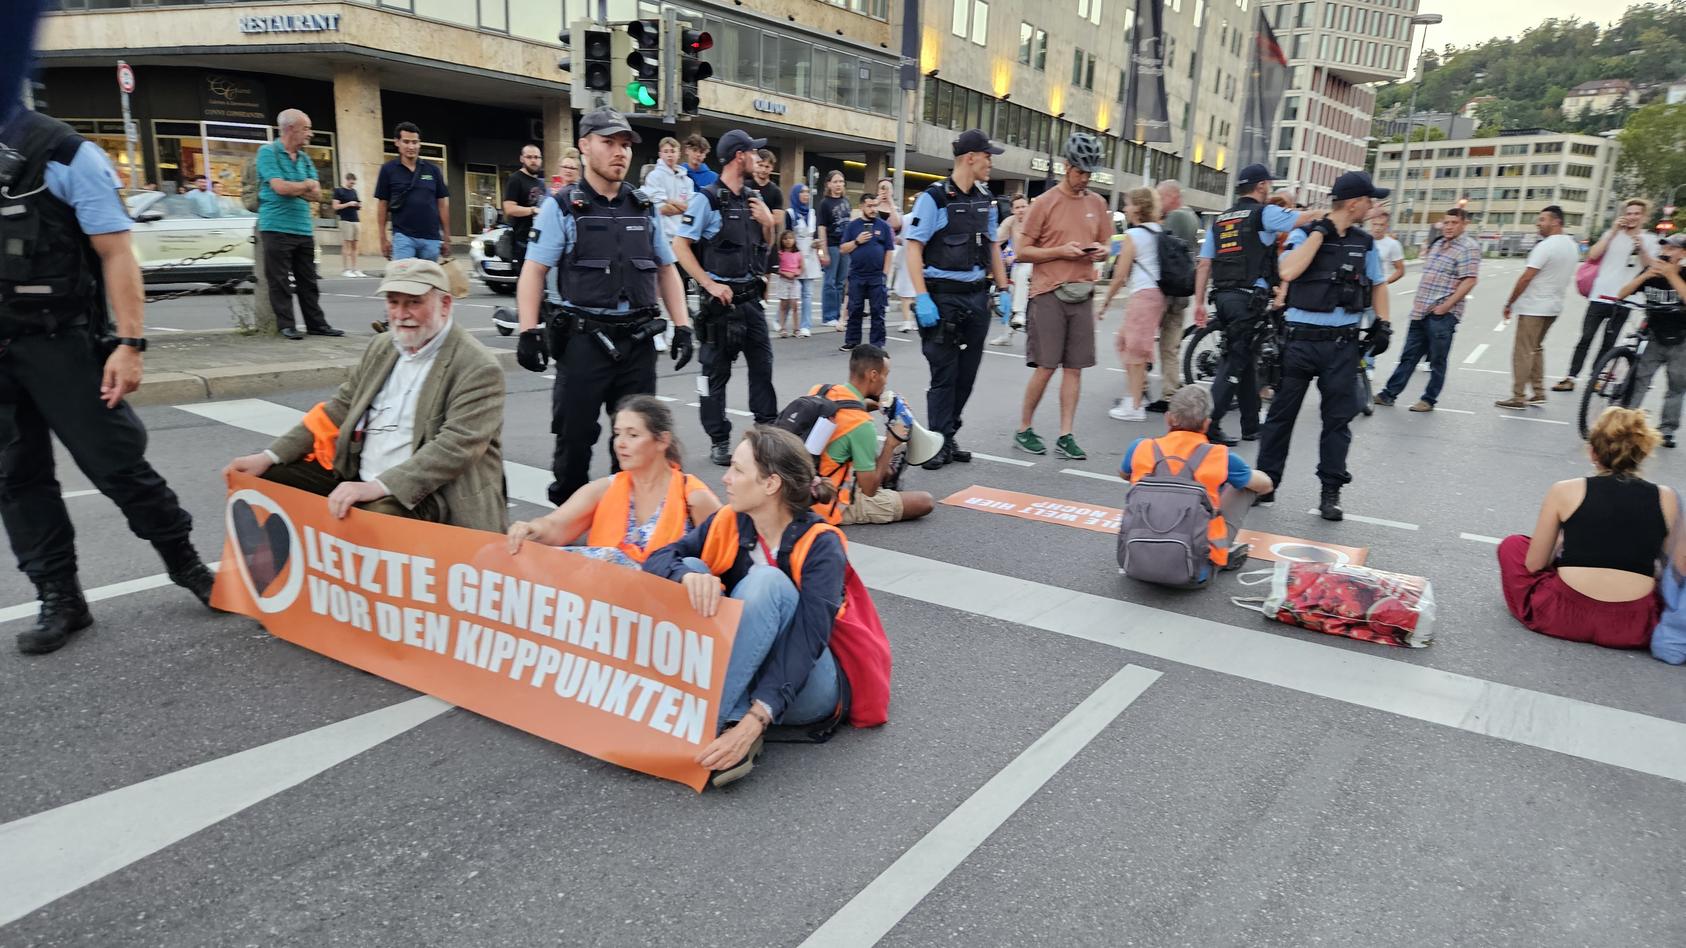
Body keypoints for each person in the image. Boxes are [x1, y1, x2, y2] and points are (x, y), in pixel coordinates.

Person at [0, 105, 218, 655]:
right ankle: (61, 599)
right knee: (17, 478)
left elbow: (117, 252)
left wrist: (130, 344)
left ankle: (188, 566)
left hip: (63, 343)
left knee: (117, 464)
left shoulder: (65, 153)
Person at [643, 427, 852, 786]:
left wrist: (754, 721)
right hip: (748, 666)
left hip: (802, 686)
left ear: (771, 484)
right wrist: (684, 577)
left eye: (738, 470)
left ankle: (711, 723)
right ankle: (721, 718)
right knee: (692, 569)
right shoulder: (731, 520)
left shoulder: (822, 545)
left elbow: (806, 642)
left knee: (766, 581)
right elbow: (659, 558)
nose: (725, 478)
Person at [226, 259, 505, 528]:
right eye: (393, 302)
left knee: (377, 516)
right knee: (269, 479)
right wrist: (269, 456)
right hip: (362, 474)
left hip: (428, 492)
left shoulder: (477, 365)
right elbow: (340, 408)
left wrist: (377, 487)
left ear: (444, 305)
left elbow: (454, 448)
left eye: (414, 303)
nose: (401, 314)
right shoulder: (382, 346)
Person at [514, 108, 694, 505]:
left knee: (636, 443)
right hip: (582, 341)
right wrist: (528, 332)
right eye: (608, 142)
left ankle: (623, 521)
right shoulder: (561, 207)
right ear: (584, 146)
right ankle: (568, 516)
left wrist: (682, 325)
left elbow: (666, 270)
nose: (619, 153)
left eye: (625, 145)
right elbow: (534, 271)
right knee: (574, 438)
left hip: (637, 341)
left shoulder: (642, 206)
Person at [1255, 170, 1393, 522]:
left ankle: (1330, 492)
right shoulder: (1304, 234)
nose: (1372, 207)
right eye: (1369, 201)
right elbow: (1288, 271)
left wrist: (1383, 322)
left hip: (1342, 345)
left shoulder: (1364, 242)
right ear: (1355, 202)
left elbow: (1378, 284)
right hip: (1299, 342)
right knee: (1280, 418)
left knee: (1337, 422)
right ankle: (1266, 485)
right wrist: (1320, 231)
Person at [1499, 406, 1672, 650]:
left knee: (1513, 546)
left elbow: (1534, 564)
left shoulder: (1565, 490)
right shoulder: (1666, 498)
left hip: (1562, 615)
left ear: (1593, 452)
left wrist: (1561, 541)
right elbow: (1675, 569)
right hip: (1632, 625)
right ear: (1642, 453)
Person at [505, 396, 721, 567]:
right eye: (618, 434)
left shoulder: (692, 497)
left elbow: (727, 549)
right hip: (607, 602)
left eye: (633, 435)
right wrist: (531, 528)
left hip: (663, 607)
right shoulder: (605, 489)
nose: (620, 444)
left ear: (662, 441)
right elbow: (556, 525)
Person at [905, 129, 1012, 470]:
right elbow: (913, 248)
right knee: (944, 373)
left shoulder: (985, 198)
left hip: (976, 297)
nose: (991, 162)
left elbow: (994, 246)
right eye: (987, 156)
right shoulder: (933, 198)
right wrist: (922, 298)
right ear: (970, 158)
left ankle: (948, 435)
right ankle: (937, 441)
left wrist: (1005, 288)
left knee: (967, 375)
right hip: (942, 298)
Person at [1193, 163, 1322, 445]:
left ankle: (1251, 425)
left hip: (1224, 298)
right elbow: (1303, 219)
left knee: (1246, 358)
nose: (1271, 189)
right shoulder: (1265, 213)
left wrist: (1199, 302)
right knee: (1235, 362)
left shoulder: (1221, 220)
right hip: (1248, 300)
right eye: (1269, 185)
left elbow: (1204, 264)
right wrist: (1330, 213)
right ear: (1262, 186)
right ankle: (1208, 424)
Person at [672, 129, 778, 467]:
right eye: (753, 153)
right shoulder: (707, 199)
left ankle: (766, 434)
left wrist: (768, 226)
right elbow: (680, 246)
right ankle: (719, 439)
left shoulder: (752, 198)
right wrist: (708, 284)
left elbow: (765, 246)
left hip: (750, 301)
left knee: (763, 368)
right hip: (720, 305)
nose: (758, 160)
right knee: (715, 375)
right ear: (739, 156)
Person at [1011, 134, 1110, 459]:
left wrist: (1100, 253)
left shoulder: (1097, 203)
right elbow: (1022, 251)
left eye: (1089, 173)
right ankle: (1024, 428)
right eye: (1080, 171)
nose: (1085, 178)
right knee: (1046, 366)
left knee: (1075, 368)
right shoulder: (1044, 202)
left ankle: (1066, 434)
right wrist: (1061, 252)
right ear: (1066, 166)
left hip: (1082, 292)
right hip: (1048, 293)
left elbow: (1107, 245)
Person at [1120, 386, 1275, 585]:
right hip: (1195, 573)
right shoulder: (1220, 456)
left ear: (1169, 418)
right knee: (1245, 485)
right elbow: (1265, 486)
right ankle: (1218, 551)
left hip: (1135, 563)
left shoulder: (1141, 446)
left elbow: (1125, 474)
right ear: (1207, 424)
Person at [805, 345, 936, 526]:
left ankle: (889, 472)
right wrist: (890, 443)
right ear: (873, 375)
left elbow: (843, 412)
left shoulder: (821, 390)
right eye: (885, 374)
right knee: (924, 501)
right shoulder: (861, 425)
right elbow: (869, 490)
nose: (886, 381)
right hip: (828, 501)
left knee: (863, 454)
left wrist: (877, 405)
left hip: (805, 487)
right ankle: (891, 469)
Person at [1375, 207, 1479, 412]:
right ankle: (1389, 394)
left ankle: (1429, 399)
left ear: (1464, 224)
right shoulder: (1439, 244)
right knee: (1408, 356)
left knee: (1437, 360)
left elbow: (1469, 281)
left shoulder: (1469, 247)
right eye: (1446, 223)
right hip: (1420, 311)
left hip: (1442, 314)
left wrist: (1446, 307)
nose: (1448, 227)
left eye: (1454, 223)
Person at [1556, 199, 1661, 392]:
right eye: (1629, 213)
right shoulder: (1611, 234)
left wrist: (1641, 248)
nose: (1632, 217)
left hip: (1626, 299)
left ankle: (1595, 378)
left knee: (1608, 343)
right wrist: (1612, 232)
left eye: (1637, 213)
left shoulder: (1650, 240)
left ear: (1644, 217)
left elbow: (1651, 267)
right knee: (1586, 337)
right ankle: (1571, 376)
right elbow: (1592, 255)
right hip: (1600, 295)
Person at [257, 109, 342, 340]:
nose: (310, 134)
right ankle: (287, 324)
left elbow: (316, 194)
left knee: (309, 280)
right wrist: (304, 185)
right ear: (290, 129)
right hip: (276, 226)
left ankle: (317, 324)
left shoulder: (304, 158)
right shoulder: (267, 153)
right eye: (306, 128)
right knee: (280, 280)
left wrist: (298, 187)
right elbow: (279, 188)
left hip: (303, 227)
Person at [1497, 206, 1581, 410]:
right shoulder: (1571, 245)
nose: (1538, 223)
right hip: (1553, 307)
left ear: (1556, 222)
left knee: (1523, 351)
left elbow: (1527, 276)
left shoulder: (1546, 246)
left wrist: (1510, 302)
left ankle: (1518, 397)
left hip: (1534, 306)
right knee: (1536, 347)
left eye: (1542, 219)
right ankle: (1538, 392)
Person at [1099, 187, 1166, 425]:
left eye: (1127, 204)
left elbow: (1119, 276)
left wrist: (1105, 303)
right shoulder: (1158, 230)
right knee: (1125, 343)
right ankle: (1137, 394)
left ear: (1137, 207)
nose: (1125, 209)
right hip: (1155, 295)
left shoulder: (1134, 235)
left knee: (1135, 351)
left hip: (1143, 296)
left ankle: (1135, 405)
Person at [1612, 236, 1686, 447]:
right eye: (1664, 247)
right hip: (1654, 335)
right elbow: (1622, 294)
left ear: (1683, 254)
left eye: (1673, 248)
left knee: (1677, 385)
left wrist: (1672, 276)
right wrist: (1644, 277)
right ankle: (1626, 423)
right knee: (1640, 379)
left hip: (1681, 338)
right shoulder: (1650, 273)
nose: (1666, 251)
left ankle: (1667, 430)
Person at [1152, 179, 1200, 410]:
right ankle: (1171, 388)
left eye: (1161, 197)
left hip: (1167, 289)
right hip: (1182, 288)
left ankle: (1146, 388)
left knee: (1150, 340)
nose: (1158, 202)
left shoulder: (1175, 217)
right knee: (1171, 341)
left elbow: (1161, 248)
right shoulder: (1191, 216)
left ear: (1172, 196)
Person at [375, 121, 451, 262]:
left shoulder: (433, 170)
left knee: (428, 282)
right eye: (406, 142)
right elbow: (382, 205)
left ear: (420, 144)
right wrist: (382, 238)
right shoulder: (388, 170)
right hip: (403, 237)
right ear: (397, 142)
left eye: (415, 142)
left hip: (431, 238)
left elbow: (442, 204)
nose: (411, 146)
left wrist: (447, 236)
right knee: (404, 281)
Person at [839, 191, 895, 350]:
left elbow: (889, 250)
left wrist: (885, 273)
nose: (873, 209)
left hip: (877, 275)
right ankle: (852, 341)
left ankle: (877, 344)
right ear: (862, 206)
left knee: (878, 310)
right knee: (855, 309)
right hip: (857, 274)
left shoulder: (883, 226)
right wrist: (857, 241)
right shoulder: (853, 226)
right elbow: (843, 249)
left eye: (875, 206)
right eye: (869, 206)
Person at [989, 192, 1031, 347]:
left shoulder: (1036, 220)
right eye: (1017, 207)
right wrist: (1003, 253)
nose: (1021, 210)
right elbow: (996, 240)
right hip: (1019, 262)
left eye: (1023, 206)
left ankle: (1020, 312)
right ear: (1012, 210)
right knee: (1010, 293)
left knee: (1022, 271)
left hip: (1036, 263)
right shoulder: (1010, 222)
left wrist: (1014, 255)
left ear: (1029, 207)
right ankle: (1007, 334)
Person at [500, 143, 545, 270]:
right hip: (522, 240)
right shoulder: (516, 179)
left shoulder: (539, 182)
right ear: (522, 159)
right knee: (527, 281)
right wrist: (533, 210)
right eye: (529, 157)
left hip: (538, 239)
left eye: (536, 157)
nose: (533, 161)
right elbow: (509, 208)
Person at [816, 170, 852, 331]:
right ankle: (828, 316)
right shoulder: (825, 203)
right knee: (829, 282)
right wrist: (823, 251)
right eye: (835, 182)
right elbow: (822, 228)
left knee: (840, 282)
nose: (839, 185)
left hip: (845, 246)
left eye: (841, 181)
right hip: (831, 244)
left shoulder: (846, 201)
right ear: (829, 184)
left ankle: (837, 315)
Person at [786, 182, 822, 337]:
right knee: (791, 291)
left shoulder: (812, 212)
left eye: (808, 192)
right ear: (796, 195)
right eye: (802, 192)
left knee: (807, 292)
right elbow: (787, 236)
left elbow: (814, 233)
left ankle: (805, 325)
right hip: (795, 254)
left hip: (810, 253)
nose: (806, 195)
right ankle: (780, 319)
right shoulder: (790, 213)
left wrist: (817, 242)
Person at [331, 172, 366, 277]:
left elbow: (359, 204)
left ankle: (354, 268)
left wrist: (358, 204)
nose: (352, 185)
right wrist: (348, 204)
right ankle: (345, 269)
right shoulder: (339, 191)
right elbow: (335, 206)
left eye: (354, 183)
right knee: (346, 244)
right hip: (345, 220)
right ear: (347, 180)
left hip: (355, 220)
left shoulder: (354, 191)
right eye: (351, 183)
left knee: (355, 245)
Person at [771, 229, 803, 337]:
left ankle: (796, 328)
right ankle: (782, 327)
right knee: (783, 306)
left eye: (790, 238)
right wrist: (785, 273)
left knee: (795, 306)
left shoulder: (798, 253)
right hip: (783, 281)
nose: (788, 241)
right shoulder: (780, 254)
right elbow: (776, 268)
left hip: (794, 281)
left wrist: (795, 273)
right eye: (785, 239)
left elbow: (802, 267)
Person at [751, 149, 784, 223]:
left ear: (772, 168)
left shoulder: (776, 191)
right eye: (760, 165)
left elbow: (778, 219)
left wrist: (762, 217)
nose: (763, 170)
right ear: (755, 164)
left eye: (767, 167)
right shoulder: (745, 185)